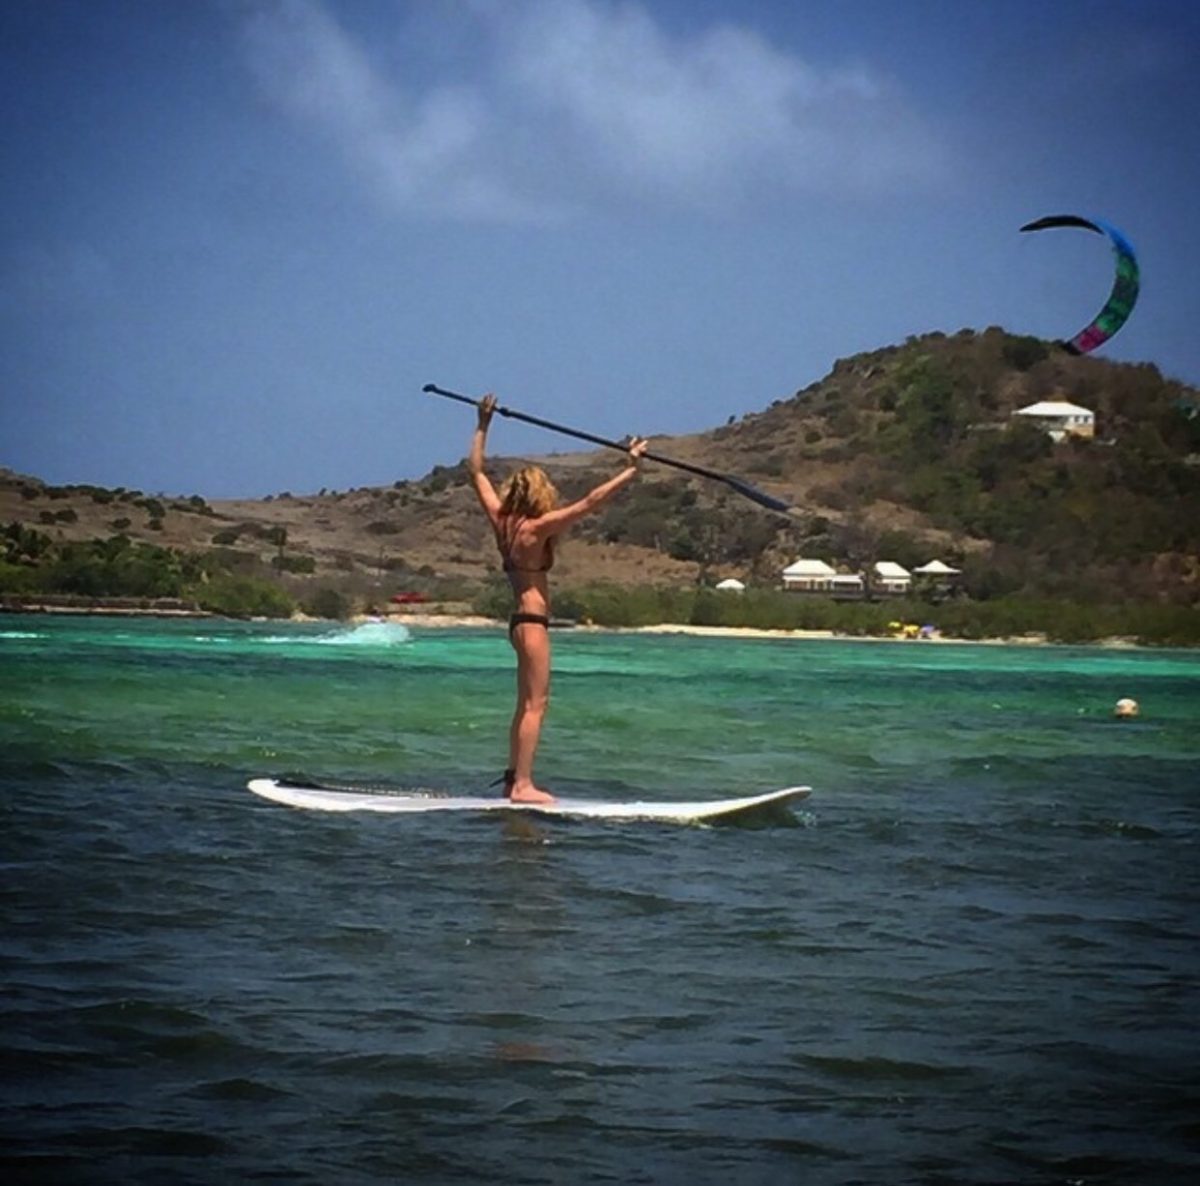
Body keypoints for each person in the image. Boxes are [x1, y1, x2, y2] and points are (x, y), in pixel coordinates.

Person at [469, 393, 647, 803]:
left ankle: (515, 778)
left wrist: (483, 424)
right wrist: (630, 470)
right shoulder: (537, 528)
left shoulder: (502, 521)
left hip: (518, 624)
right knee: (536, 705)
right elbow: (589, 503)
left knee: (524, 705)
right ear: (537, 495)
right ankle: (524, 787)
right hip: (532, 623)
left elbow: (476, 470)